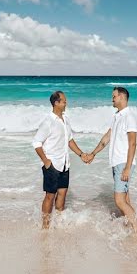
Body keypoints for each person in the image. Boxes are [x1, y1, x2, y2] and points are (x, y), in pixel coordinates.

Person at [32, 91, 91, 229]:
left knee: (62, 194)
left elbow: (69, 140)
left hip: (65, 164)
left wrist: (81, 154)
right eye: (63, 100)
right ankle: (45, 226)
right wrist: (46, 161)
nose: (66, 103)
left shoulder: (66, 120)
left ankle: (58, 223)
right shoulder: (48, 122)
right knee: (50, 196)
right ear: (56, 103)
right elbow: (36, 142)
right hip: (52, 165)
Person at [87, 86, 137, 233]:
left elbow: (133, 143)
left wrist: (128, 167)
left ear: (122, 97)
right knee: (126, 199)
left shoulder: (129, 117)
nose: (112, 99)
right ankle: (130, 229)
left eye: (114, 96)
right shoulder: (117, 116)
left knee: (119, 200)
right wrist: (93, 153)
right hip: (117, 163)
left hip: (124, 163)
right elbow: (106, 138)